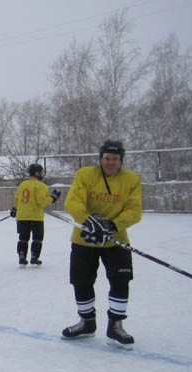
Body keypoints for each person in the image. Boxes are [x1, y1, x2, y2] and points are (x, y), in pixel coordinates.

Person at [61, 140, 142, 350]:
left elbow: (134, 210)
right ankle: (87, 322)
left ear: (121, 160)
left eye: (115, 159)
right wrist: (89, 222)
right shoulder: (85, 175)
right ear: (101, 158)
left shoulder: (132, 179)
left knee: (121, 280)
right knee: (81, 281)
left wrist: (112, 225)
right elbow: (73, 201)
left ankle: (115, 326)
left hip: (116, 240)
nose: (110, 162)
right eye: (107, 158)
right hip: (84, 238)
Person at [10, 163, 61, 266]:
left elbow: (17, 198)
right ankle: (34, 257)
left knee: (23, 238)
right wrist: (53, 198)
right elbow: (41, 201)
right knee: (37, 238)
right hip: (35, 217)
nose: (42, 174)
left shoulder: (23, 184)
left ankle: (22, 256)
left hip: (22, 216)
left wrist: (15, 209)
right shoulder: (41, 186)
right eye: (41, 172)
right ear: (37, 173)